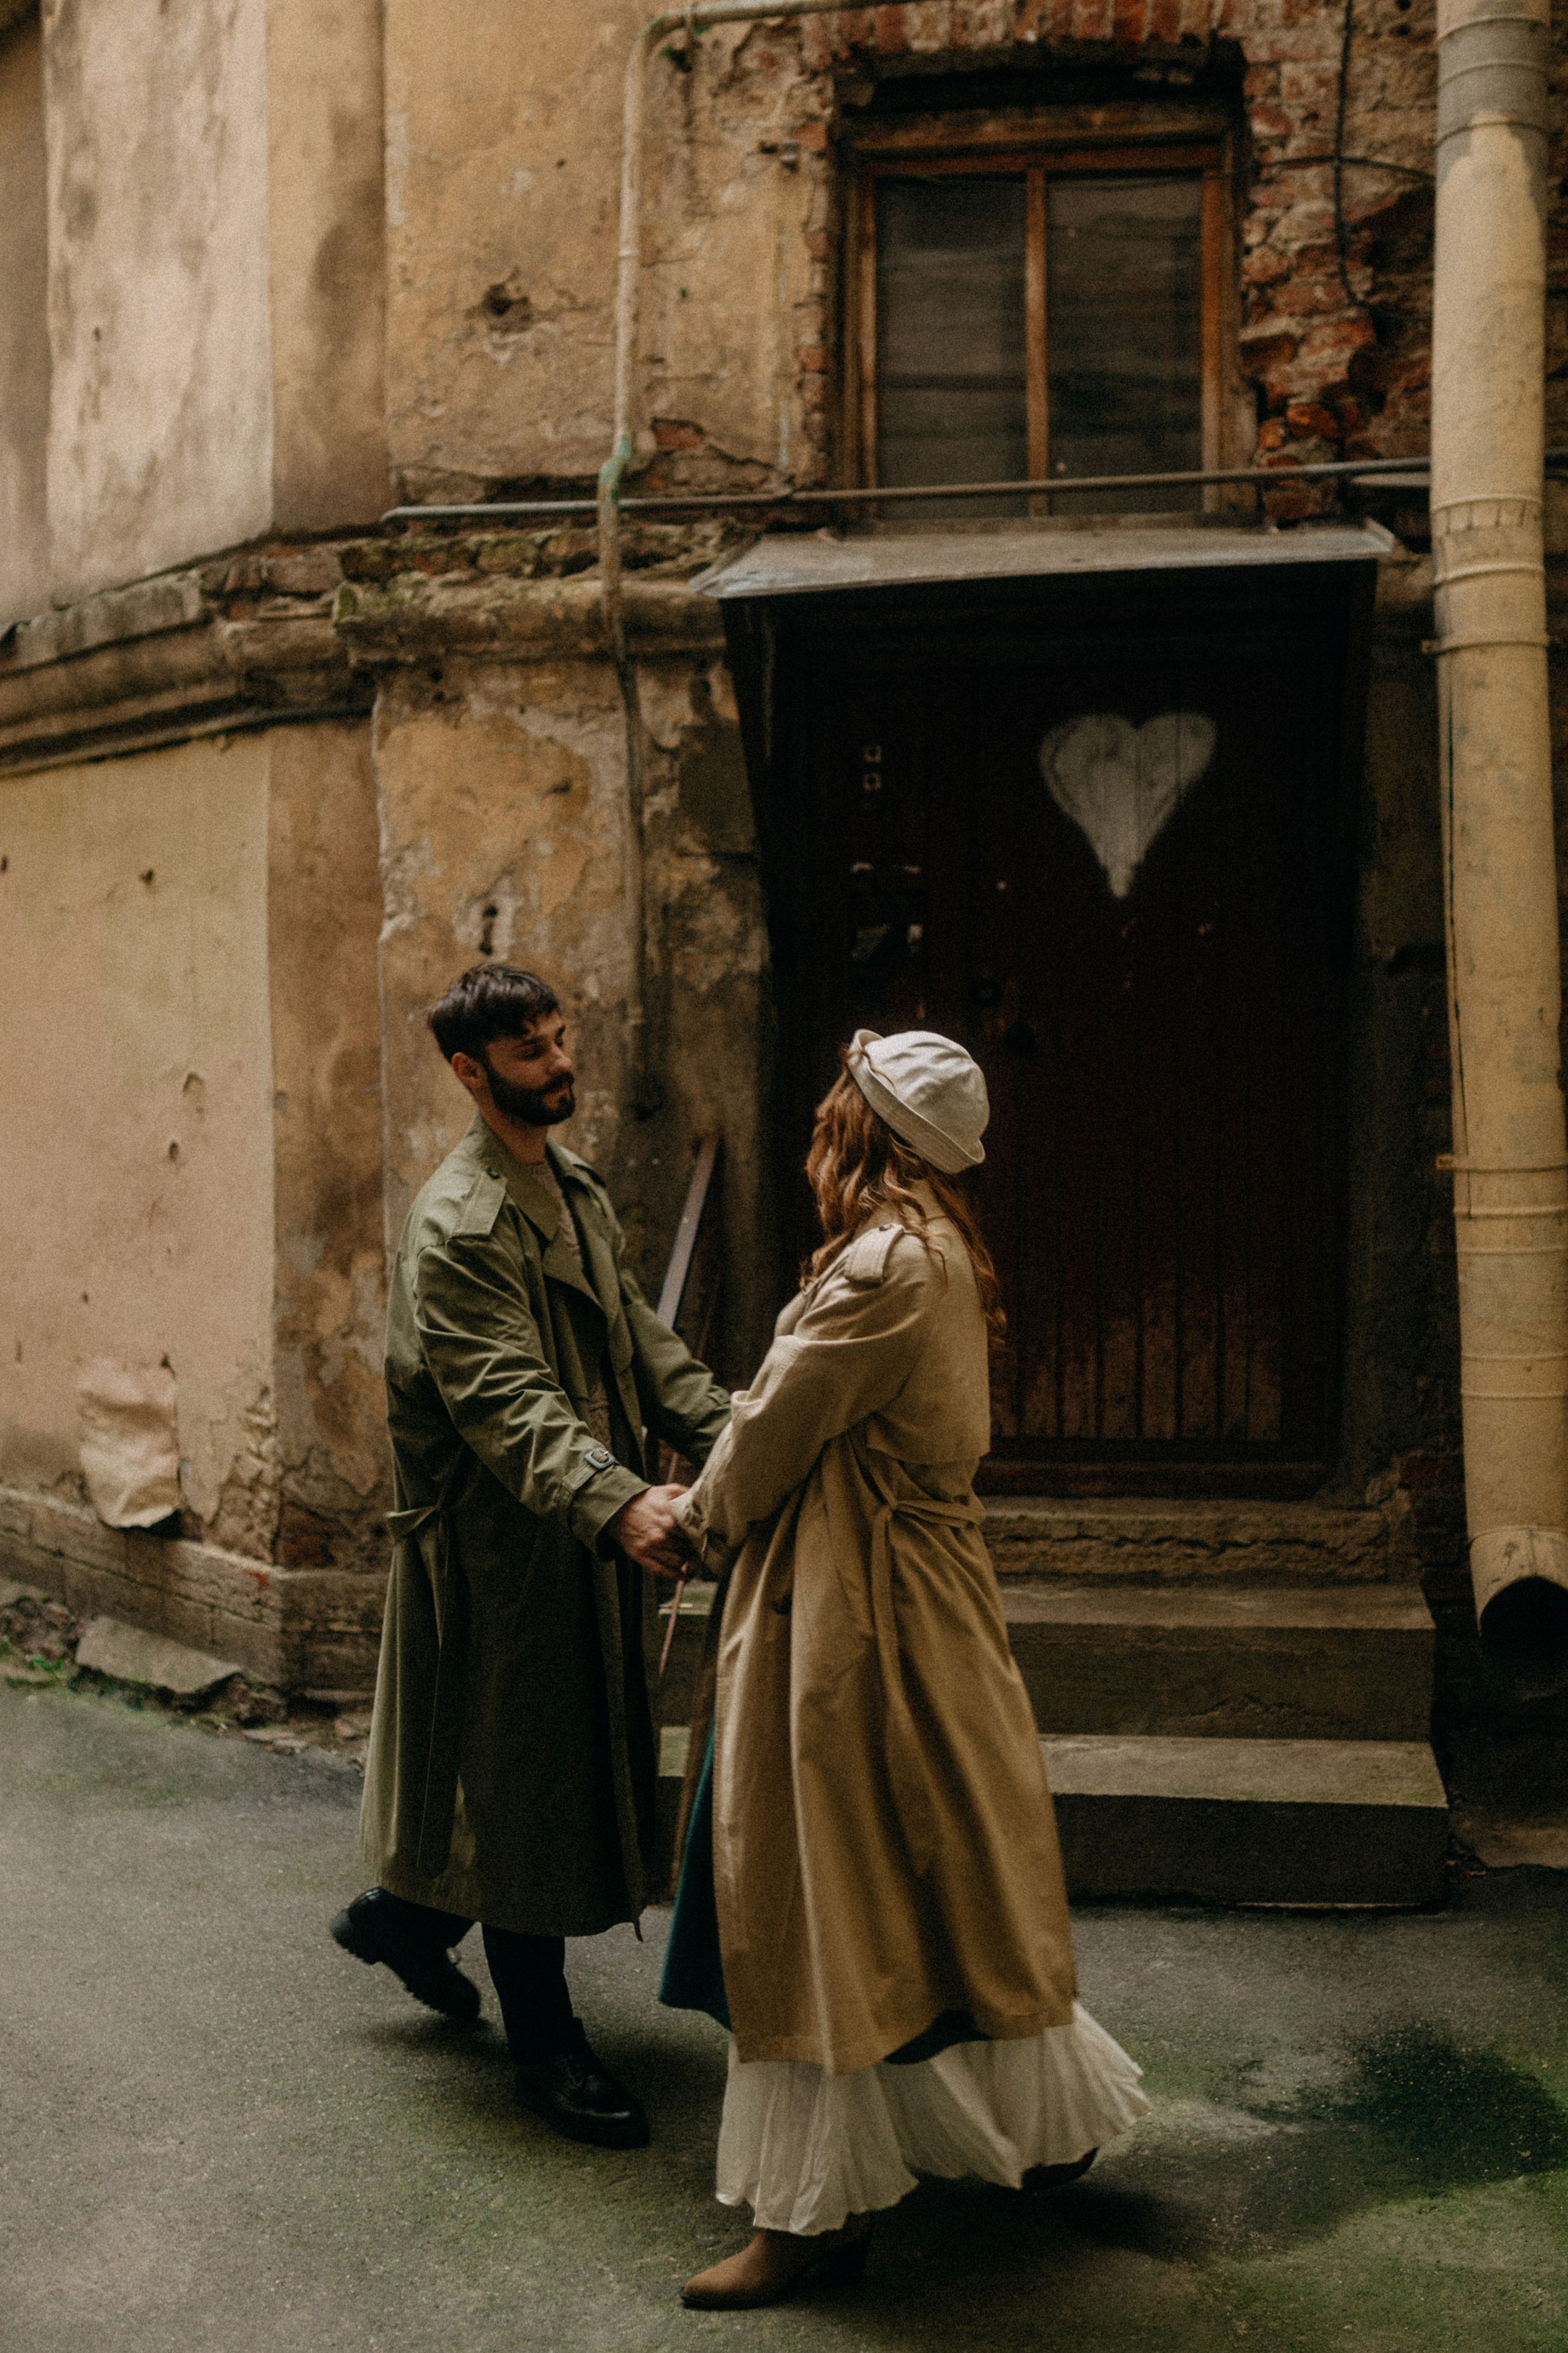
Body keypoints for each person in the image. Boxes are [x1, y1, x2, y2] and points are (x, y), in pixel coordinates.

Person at [659, 1029, 1149, 2308]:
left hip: (851, 1609)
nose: (820, 1122)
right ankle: (1034, 2131)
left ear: (868, 1130)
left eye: (838, 1107)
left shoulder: (881, 1266)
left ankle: (812, 2216)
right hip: (906, 1594)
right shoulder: (936, 1248)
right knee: (933, 1873)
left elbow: (772, 1426)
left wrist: (692, 1523)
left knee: (816, 1893)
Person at [333, 963, 728, 2151]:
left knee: (535, 1765)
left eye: (560, 1041)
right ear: (470, 1072)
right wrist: (617, 1504)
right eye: (531, 1053)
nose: (560, 1065)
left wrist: (743, 1433)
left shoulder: (567, 1181)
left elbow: (639, 1341)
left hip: (575, 1528)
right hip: (498, 1551)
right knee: (524, 1793)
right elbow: (507, 1401)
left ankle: (399, 1920)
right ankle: (545, 2044)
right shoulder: (460, 1224)